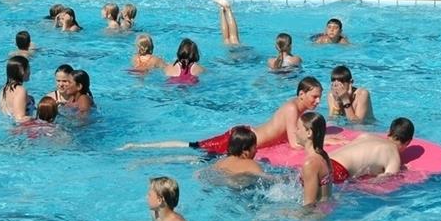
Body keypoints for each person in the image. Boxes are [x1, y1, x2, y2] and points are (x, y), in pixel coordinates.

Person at [120, 76, 323, 152]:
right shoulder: (291, 109)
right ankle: (139, 148)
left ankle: (141, 150)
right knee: (193, 149)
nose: (318, 101)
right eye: (314, 97)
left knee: (195, 151)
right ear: (301, 94)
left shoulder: (297, 109)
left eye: (319, 97)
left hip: (246, 136)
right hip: (240, 140)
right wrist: (327, 143)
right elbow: (295, 144)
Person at [327, 117, 415, 182]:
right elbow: (384, 181)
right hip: (338, 170)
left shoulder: (366, 136)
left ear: (388, 132)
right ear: (408, 142)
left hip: (325, 159)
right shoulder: (394, 155)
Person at [296, 112, 333, 205]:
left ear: (309, 133)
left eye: (298, 128)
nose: (295, 132)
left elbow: (309, 205)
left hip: (316, 216)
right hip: (324, 211)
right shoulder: (323, 155)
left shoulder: (310, 163)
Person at [0, 55, 34, 122]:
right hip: (20, 130)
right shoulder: (20, 91)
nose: (30, 72)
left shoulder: (4, 89)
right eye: (28, 68)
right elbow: (19, 119)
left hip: (7, 126)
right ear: (22, 71)